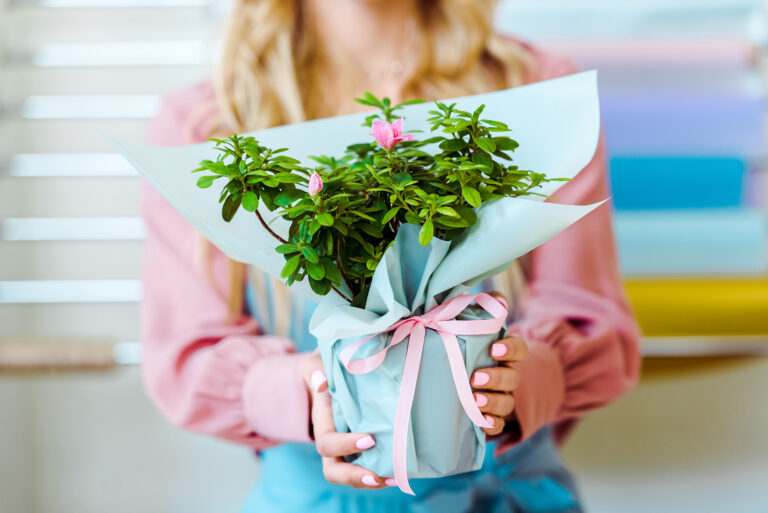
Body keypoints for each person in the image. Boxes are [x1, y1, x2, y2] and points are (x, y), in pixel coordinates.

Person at [139, 0, 641, 511]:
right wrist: (308, 391)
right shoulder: (207, 127)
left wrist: (515, 383)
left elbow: (589, 323)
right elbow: (189, 354)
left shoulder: (537, 88)